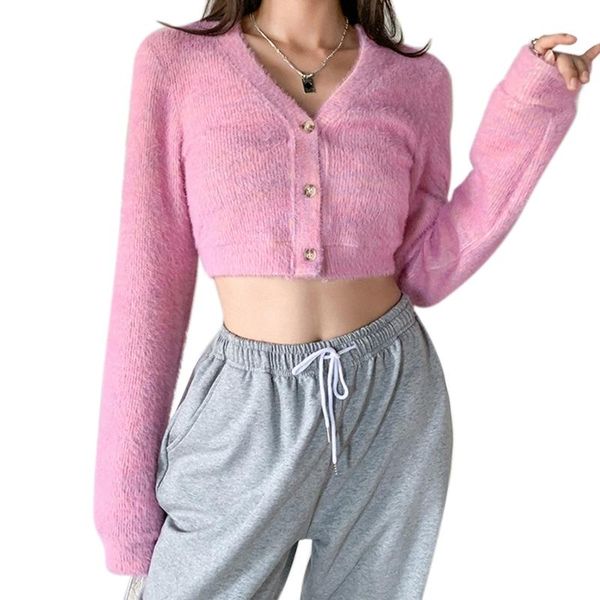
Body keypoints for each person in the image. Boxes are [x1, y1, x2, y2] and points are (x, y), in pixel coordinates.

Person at [93, 1, 598, 598]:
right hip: (245, 414)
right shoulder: (178, 63)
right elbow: (147, 288)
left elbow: (426, 271)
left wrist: (532, 107)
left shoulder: (416, 80)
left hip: (392, 399)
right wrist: (124, 508)